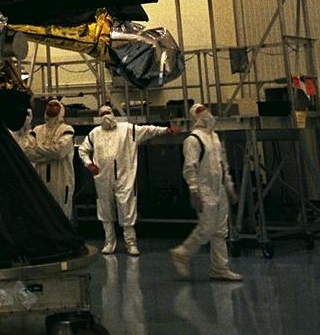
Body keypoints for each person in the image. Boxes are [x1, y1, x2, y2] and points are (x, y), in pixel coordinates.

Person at [80, 103, 171, 255]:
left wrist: (166, 130)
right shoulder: (95, 133)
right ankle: (109, 242)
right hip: (102, 177)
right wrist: (89, 164)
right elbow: (83, 150)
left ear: (114, 114)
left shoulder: (127, 129)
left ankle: (131, 243)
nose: (106, 116)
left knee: (126, 207)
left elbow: (148, 130)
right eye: (102, 114)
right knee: (105, 209)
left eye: (108, 112)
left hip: (124, 176)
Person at [170, 103, 242, 282]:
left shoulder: (215, 138)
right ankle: (181, 253)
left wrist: (229, 186)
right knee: (206, 228)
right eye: (203, 112)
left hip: (219, 189)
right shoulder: (193, 140)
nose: (208, 115)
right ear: (196, 117)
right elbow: (190, 168)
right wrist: (194, 191)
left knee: (220, 231)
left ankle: (220, 268)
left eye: (207, 111)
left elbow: (222, 164)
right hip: (204, 189)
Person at [29, 99, 76, 219]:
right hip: (40, 176)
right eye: (49, 105)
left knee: (61, 211)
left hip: (61, 177)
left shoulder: (67, 129)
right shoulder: (37, 130)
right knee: (42, 211)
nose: (51, 107)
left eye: (55, 105)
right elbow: (29, 153)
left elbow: (59, 152)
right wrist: (50, 154)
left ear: (61, 110)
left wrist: (38, 148)